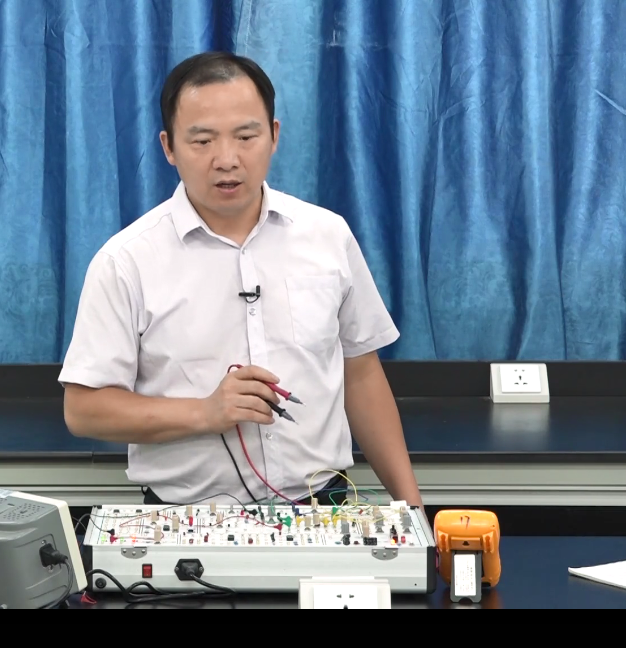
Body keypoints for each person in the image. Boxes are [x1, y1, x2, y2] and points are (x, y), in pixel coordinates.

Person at [58, 51, 423, 509]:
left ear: (274, 135)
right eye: (202, 141)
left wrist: (414, 511)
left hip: (323, 511)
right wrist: (204, 413)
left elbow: (362, 375)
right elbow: (84, 410)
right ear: (169, 147)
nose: (227, 160)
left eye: (246, 136)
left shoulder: (328, 235)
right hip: (186, 519)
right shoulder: (126, 260)